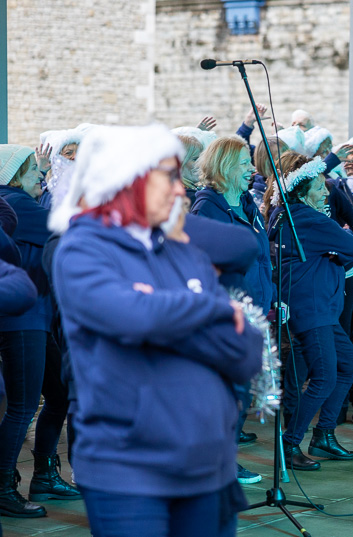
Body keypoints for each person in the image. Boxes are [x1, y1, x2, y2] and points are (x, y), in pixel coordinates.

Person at [49, 124, 262, 536]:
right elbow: (132, 316)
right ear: (127, 179)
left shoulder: (182, 250)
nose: (181, 190)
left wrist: (168, 315)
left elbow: (247, 353)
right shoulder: (81, 250)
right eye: (168, 176)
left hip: (208, 466)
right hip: (130, 471)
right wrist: (211, 307)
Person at [267, 155, 353, 471]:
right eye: (321, 187)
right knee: (324, 376)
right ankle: (290, 442)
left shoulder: (285, 215)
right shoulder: (308, 219)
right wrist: (337, 251)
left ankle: (323, 434)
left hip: (312, 306)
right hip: (312, 307)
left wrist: (334, 251)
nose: (327, 193)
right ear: (304, 188)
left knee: (349, 363)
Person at [191, 136, 274, 463]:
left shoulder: (248, 204)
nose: (251, 169)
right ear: (224, 167)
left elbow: (263, 257)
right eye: (243, 163)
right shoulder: (208, 208)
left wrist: (273, 298)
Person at [0, 145, 60, 518]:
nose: (42, 176)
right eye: (35, 170)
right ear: (15, 173)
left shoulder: (18, 200)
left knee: (60, 391)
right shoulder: (15, 203)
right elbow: (63, 228)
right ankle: (4, 486)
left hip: (36, 318)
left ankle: (44, 473)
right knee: (22, 407)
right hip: (23, 321)